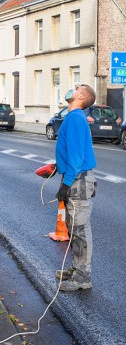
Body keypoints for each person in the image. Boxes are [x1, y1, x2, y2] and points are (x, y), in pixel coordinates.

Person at [55, 84, 97, 291]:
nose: (71, 89)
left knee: (79, 229)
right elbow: (72, 151)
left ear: (81, 96)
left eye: (76, 87)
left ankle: (82, 277)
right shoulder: (75, 118)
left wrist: (66, 182)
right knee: (73, 227)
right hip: (77, 176)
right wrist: (58, 167)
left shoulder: (75, 119)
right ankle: (76, 267)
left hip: (78, 179)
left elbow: (77, 156)